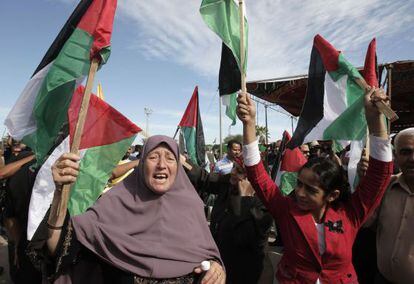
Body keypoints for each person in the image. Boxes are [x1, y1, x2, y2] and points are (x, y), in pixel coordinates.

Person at [236, 87, 393, 283]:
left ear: (332, 195)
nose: (300, 193)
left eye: (311, 189)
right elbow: (257, 175)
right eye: (299, 184)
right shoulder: (286, 210)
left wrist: (375, 119)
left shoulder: (351, 214)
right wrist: (249, 124)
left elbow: (379, 175)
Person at [29, 135, 225, 284]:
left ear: (178, 167)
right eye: (153, 157)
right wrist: (59, 194)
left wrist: (217, 268)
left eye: (170, 158)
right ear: (140, 165)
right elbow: (59, 249)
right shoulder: (112, 205)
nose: (161, 165)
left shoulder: (192, 208)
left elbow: (209, 255)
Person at [183, 157, 274, 284]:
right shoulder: (229, 184)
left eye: (239, 171)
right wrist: (181, 159)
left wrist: (245, 198)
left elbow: (243, 237)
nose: (233, 172)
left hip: (247, 274)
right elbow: (205, 178)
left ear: (252, 178)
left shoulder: (264, 204)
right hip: (224, 265)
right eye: (234, 167)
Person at [369, 127, 414, 284]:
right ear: (395, 156)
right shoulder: (386, 186)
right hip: (382, 278)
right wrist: (365, 184)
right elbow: (367, 223)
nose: (412, 158)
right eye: (405, 152)